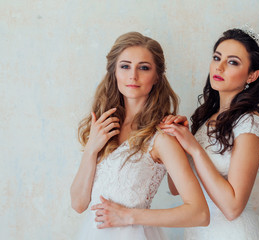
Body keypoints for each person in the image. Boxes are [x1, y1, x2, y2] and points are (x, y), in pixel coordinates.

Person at [70, 32, 209, 240]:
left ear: (157, 77)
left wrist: (128, 216)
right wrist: (91, 149)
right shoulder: (103, 129)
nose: (132, 76)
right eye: (125, 66)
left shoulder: (162, 137)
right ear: (114, 72)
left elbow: (199, 213)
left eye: (143, 68)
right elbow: (79, 204)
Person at [160, 28, 259, 239]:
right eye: (216, 58)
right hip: (197, 231)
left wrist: (194, 148)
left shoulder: (248, 124)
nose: (219, 67)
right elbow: (175, 188)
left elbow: (232, 208)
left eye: (232, 62)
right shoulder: (205, 118)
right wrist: (178, 141)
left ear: (252, 75)